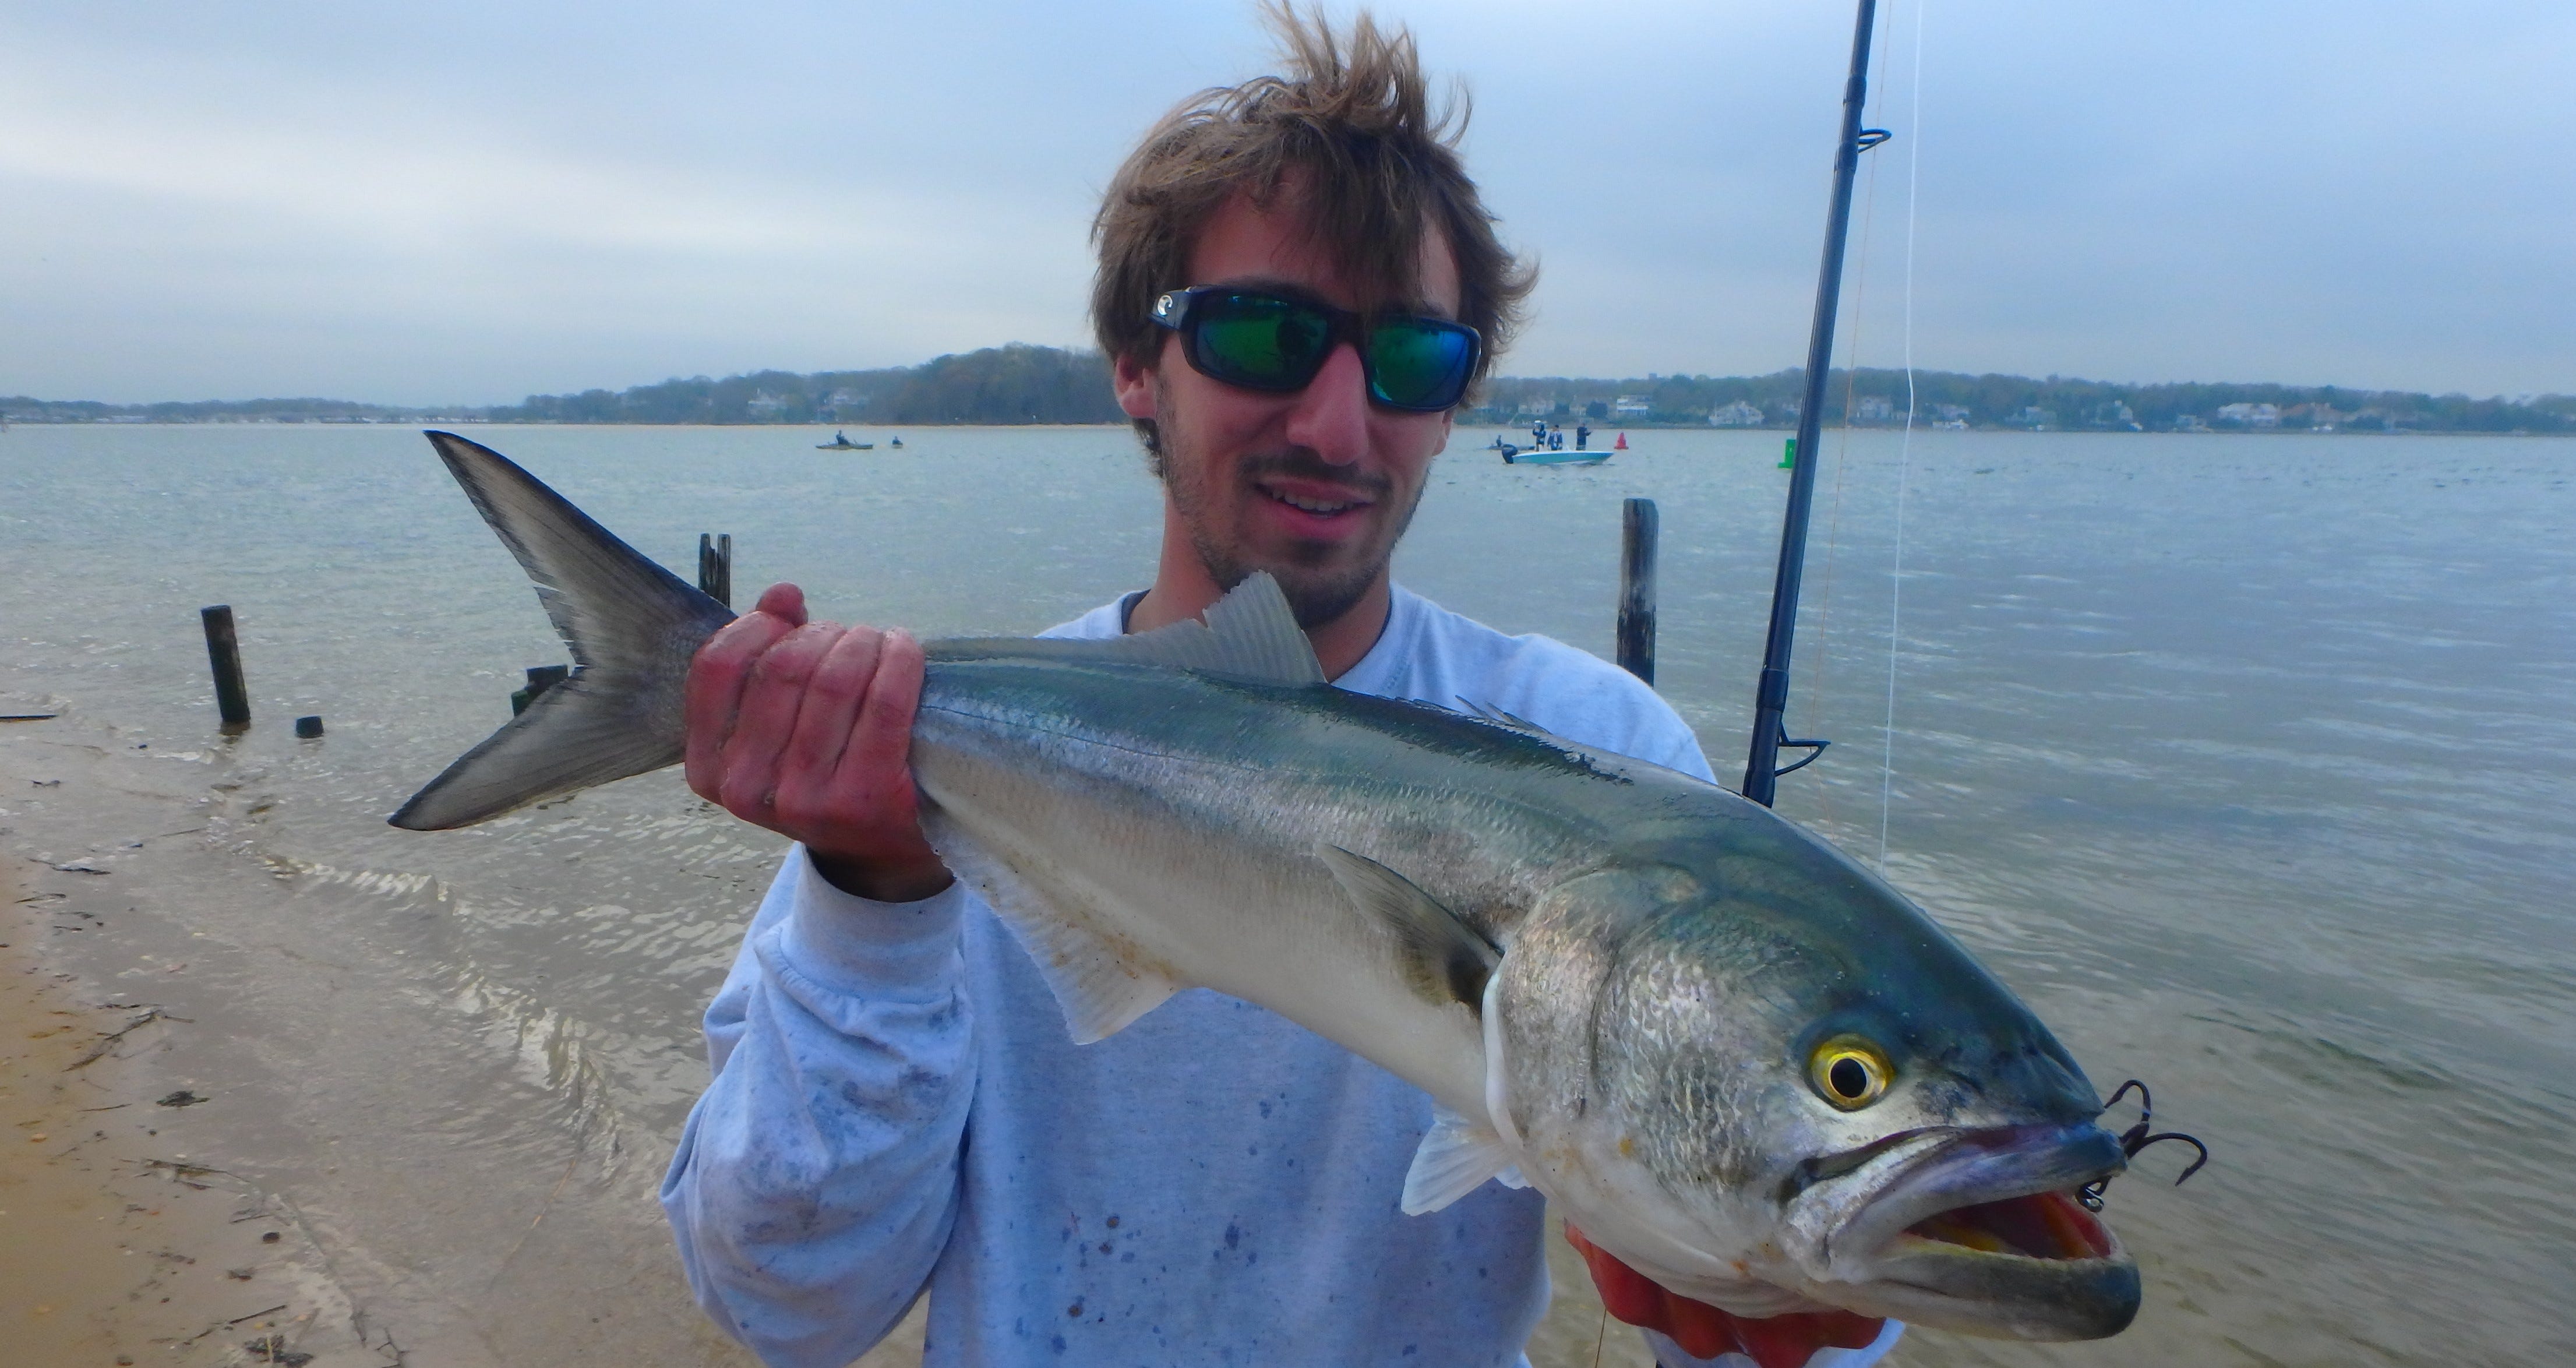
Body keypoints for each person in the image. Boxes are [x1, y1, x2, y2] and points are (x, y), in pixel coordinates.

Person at [661, 12, 1899, 1368]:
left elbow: (1768, 1319)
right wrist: (867, 905)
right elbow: (784, 1305)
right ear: (1138, 367)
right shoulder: (937, 769)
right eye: (1263, 336)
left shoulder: (1597, 750)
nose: (1334, 422)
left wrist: (1769, 1310)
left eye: (1413, 358)